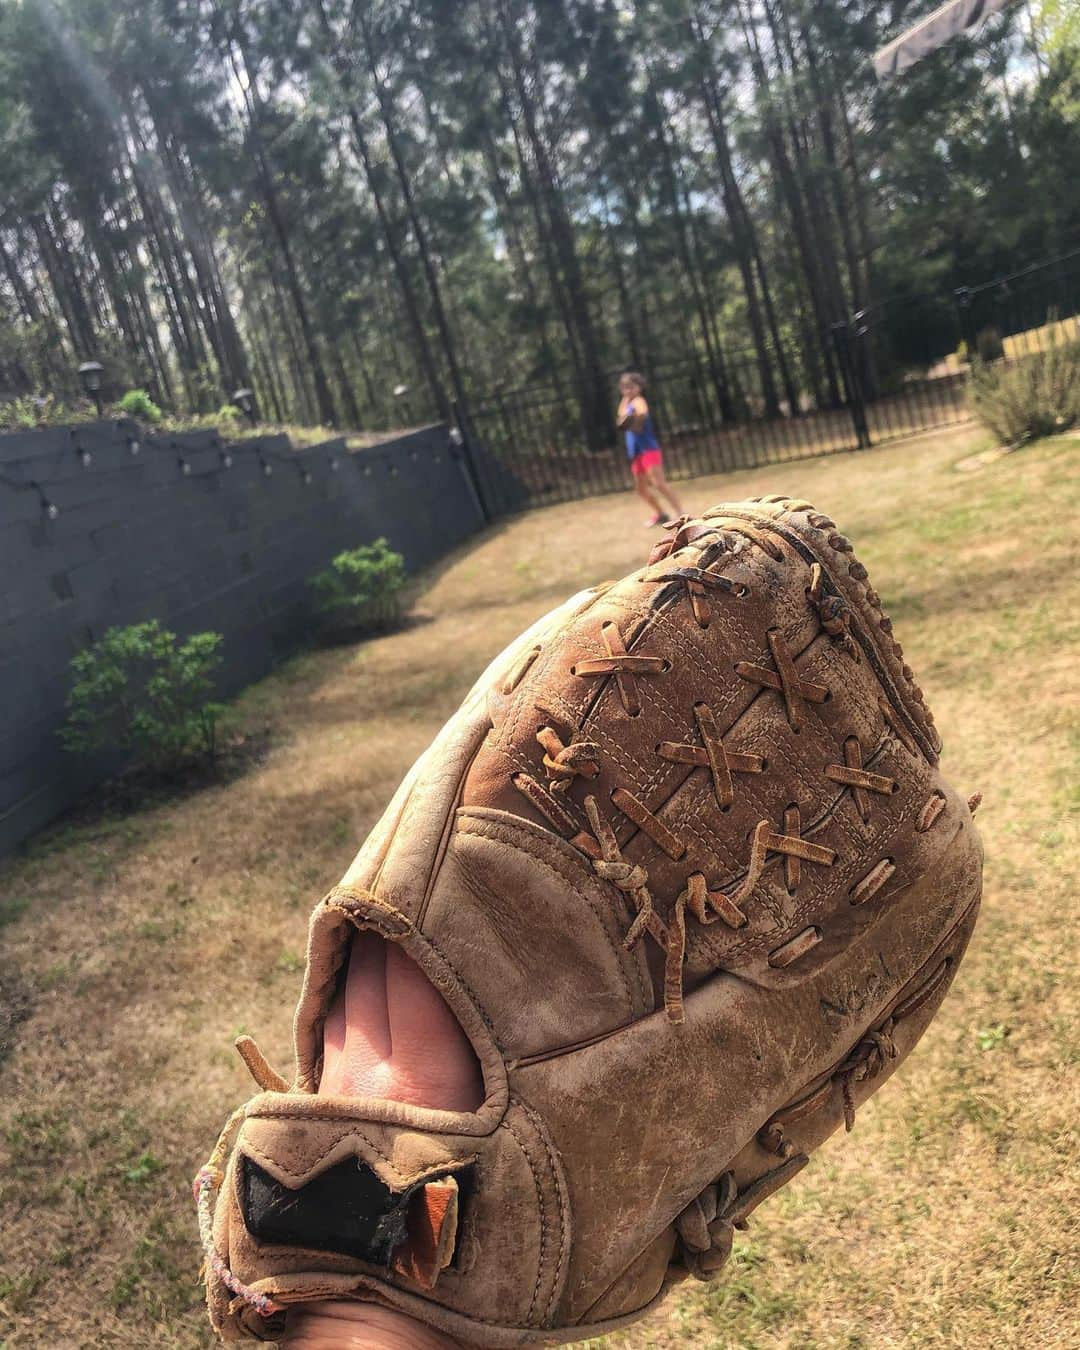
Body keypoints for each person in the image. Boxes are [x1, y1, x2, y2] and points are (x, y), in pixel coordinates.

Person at [616, 371, 684, 527]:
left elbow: (642, 411)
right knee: (640, 488)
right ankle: (661, 514)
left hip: (648, 448)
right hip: (636, 451)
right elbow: (619, 418)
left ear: (639, 387)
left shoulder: (639, 400)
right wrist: (626, 402)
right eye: (625, 387)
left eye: (631, 387)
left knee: (659, 483)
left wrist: (636, 416)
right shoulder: (626, 402)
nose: (628, 390)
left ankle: (681, 512)